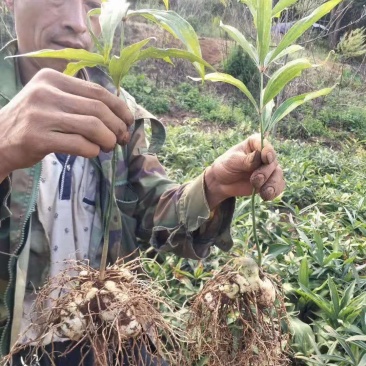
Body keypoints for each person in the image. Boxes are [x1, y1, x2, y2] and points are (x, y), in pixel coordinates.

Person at [0, 0, 285, 364]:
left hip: (106, 337)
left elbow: (153, 211)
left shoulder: (117, 107)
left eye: (92, 4)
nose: (77, 23)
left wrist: (213, 186)